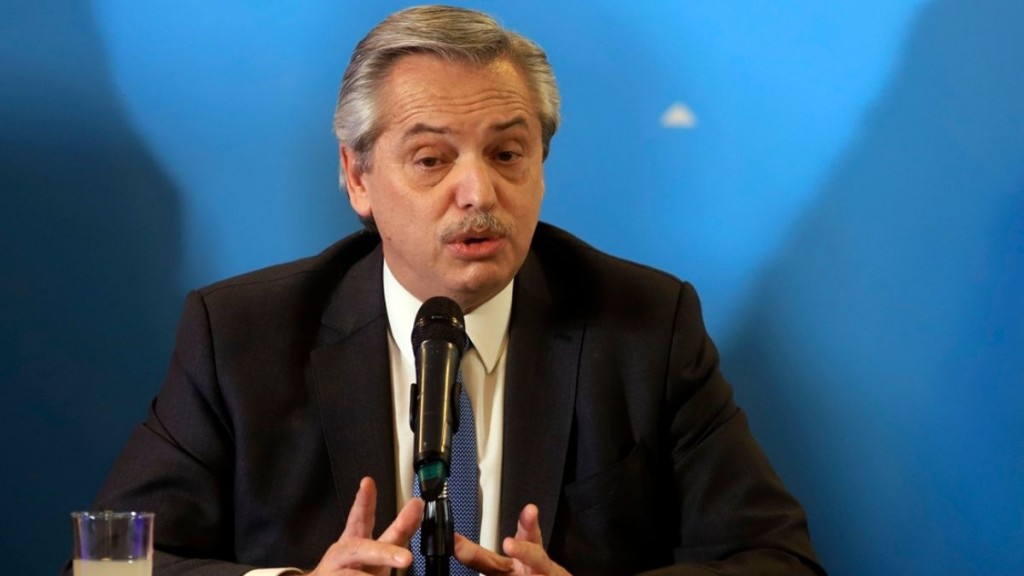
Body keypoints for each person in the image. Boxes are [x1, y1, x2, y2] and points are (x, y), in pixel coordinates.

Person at [82, 6, 825, 575]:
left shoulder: (646, 328)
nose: (478, 192)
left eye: (507, 153)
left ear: (541, 164)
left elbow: (778, 560)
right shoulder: (242, 337)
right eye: (432, 159)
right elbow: (108, 566)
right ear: (357, 177)